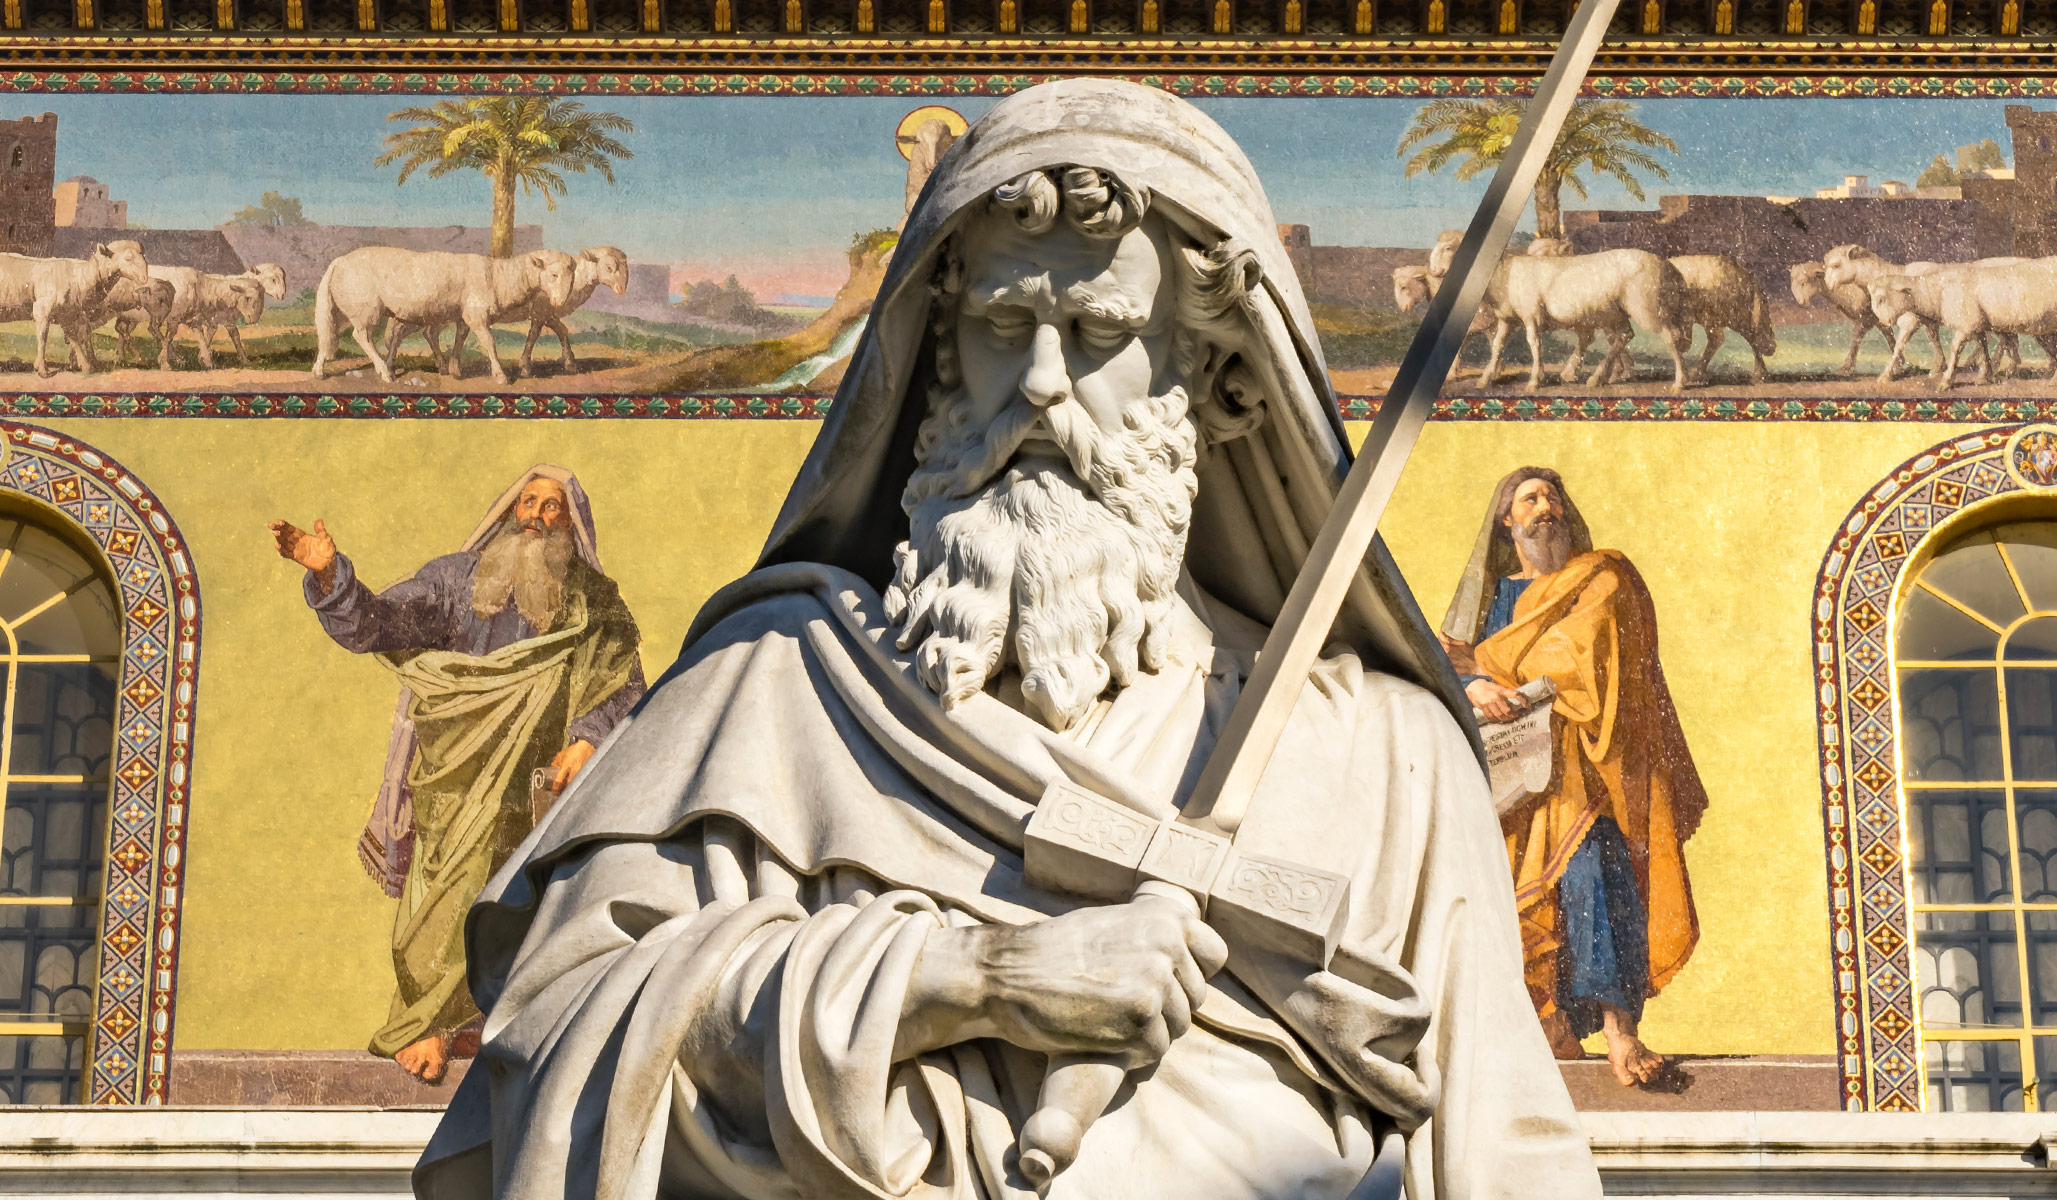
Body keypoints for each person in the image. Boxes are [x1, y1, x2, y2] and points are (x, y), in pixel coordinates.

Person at [413, 81, 1600, 1200]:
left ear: (1216, 383)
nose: (1038, 381)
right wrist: (966, 981)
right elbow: (550, 1052)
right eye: (1000, 322)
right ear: (936, 360)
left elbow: (1509, 1155)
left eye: (1097, 331)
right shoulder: (766, 691)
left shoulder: (1386, 763)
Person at [268, 467, 646, 1086]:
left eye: (552, 506)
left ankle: (486, 1020)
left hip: (540, 782)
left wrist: (588, 738)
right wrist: (330, 575)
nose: (536, 515)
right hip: (454, 771)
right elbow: (379, 625)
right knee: (445, 894)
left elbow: (622, 677)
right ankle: (426, 1025)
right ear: (509, 511)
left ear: (571, 523)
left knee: (524, 902)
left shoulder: (592, 601)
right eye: (528, 501)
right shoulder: (455, 581)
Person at [1438, 467, 1706, 1088]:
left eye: (1551, 496)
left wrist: (1486, 664)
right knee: (1509, 893)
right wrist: (1474, 684)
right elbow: (1441, 664)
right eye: (1529, 499)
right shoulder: (1492, 598)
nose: (1544, 506)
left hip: (1589, 767)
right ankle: (1549, 1021)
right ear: (1507, 522)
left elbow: (1587, 658)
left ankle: (1619, 1029)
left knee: (1595, 877)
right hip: (1512, 778)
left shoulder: (1601, 578)